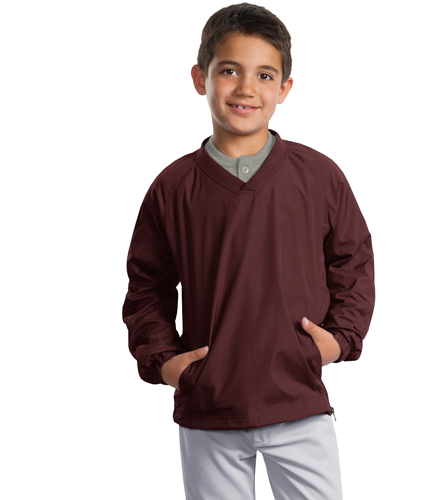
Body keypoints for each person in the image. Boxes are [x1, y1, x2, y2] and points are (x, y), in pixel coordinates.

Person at [122, 3, 375, 499]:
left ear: (284, 88)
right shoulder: (172, 187)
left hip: (298, 400)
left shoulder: (318, 176)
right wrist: (164, 360)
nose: (245, 88)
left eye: (264, 75)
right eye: (229, 71)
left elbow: (353, 260)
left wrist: (340, 340)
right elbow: (147, 284)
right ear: (201, 78)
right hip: (209, 404)